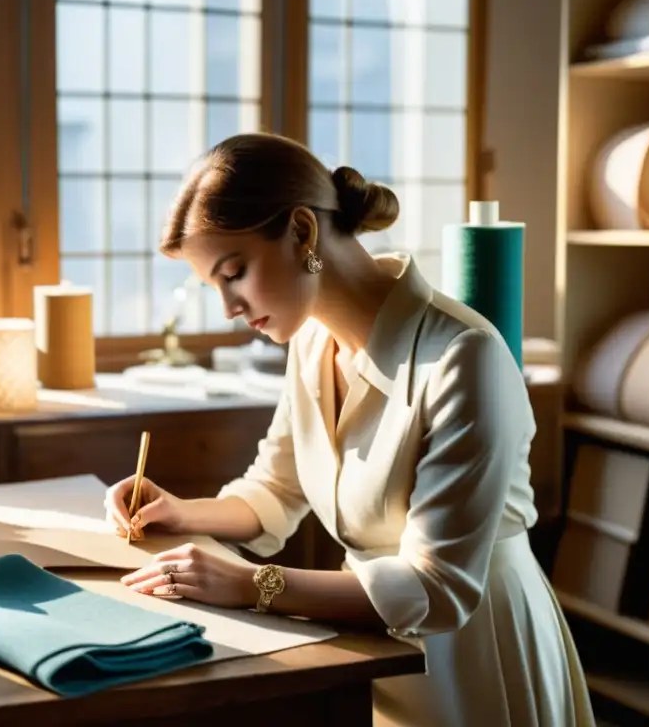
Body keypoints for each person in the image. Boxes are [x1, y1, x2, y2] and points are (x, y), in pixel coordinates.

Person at [104, 133, 594, 727]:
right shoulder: (311, 343)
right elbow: (277, 490)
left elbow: (440, 588)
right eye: (216, 286)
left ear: (303, 233)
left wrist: (252, 584)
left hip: (476, 649)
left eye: (235, 273)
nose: (230, 307)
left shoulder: (464, 358)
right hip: (369, 642)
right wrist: (180, 513)